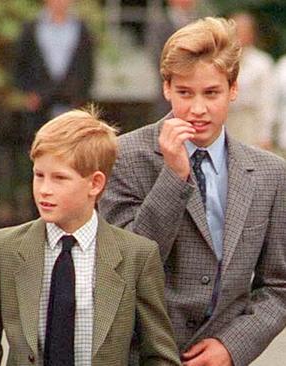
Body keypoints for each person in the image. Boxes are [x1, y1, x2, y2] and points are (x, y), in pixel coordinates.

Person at [100, 17, 286, 366]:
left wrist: (233, 347)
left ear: (233, 89)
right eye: (185, 93)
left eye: (211, 93)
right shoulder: (124, 156)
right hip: (138, 354)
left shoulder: (270, 173)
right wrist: (173, 176)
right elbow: (121, 268)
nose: (197, 109)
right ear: (167, 88)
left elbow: (279, 286)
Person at [0, 109, 180, 365]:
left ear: (95, 184)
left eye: (59, 178)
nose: (44, 190)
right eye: (39, 175)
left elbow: (159, 354)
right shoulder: (4, 248)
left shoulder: (136, 256)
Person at [13, 0, 94, 142]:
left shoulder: (81, 28)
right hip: (40, 100)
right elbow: (19, 63)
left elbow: (87, 66)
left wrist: (80, 95)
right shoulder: (31, 27)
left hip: (70, 99)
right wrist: (29, 93)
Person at [224, 11, 277, 149]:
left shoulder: (262, 63)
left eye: (242, 31)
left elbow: (267, 102)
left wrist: (265, 135)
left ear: (251, 34)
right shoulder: (219, 60)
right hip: (226, 121)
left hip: (250, 124)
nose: (238, 35)